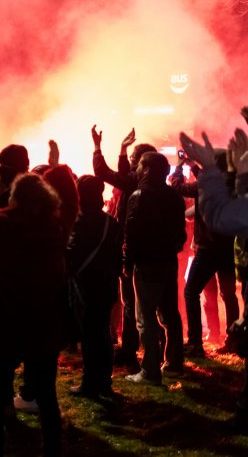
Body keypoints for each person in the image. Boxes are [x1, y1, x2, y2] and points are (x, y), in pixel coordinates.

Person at [0, 173, 67, 457]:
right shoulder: (53, 227)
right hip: (44, 320)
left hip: (8, 320)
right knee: (46, 394)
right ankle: (52, 449)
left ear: (14, 196)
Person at [180, 127, 248, 429]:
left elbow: (221, 215)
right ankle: (232, 338)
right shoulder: (236, 188)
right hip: (225, 255)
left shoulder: (222, 189)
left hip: (210, 250)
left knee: (195, 292)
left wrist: (208, 169)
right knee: (226, 297)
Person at [92, 125, 157, 373]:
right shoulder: (153, 185)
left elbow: (104, 173)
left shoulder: (135, 184)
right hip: (154, 252)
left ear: (142, 164)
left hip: (132, 250)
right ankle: (165, 353)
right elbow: (122, 175)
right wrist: (121, 150)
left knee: (131, 302)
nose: (130, 165)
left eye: (132, 161)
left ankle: (131, 351)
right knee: (155, 305)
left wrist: (98, 147)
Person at [124, 152, 186, 385]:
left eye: (140, 165)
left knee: (146, 318)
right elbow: (180, 234)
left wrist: (127, 264)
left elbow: (131, 235)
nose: (137, 170)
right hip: (168, 262)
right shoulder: (174, 197)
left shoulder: (139, 196)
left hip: (147, 263)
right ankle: (174, 363)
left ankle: (150, 370)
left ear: (148, 168)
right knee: (171, 313)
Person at [169, 150, 238, 355]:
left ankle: (195, 342)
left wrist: (180, 166)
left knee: (190, 291)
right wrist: (193, 165)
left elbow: (178, 187)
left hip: (207, 247)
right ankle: (233, 340)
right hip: (226, 246)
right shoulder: (234, 183)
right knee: (229, 295)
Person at [67, 175, 122, 396]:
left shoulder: (78, 223)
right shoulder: (111, 222)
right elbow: (118, 257)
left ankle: (90, 383)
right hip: (107, 285)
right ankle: (105, 382)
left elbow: (73, 256)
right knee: (103, 333)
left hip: (86, 286)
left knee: (90, 337)